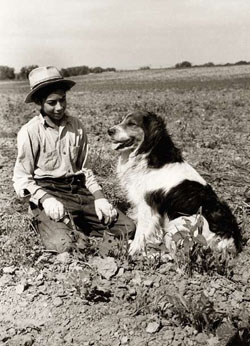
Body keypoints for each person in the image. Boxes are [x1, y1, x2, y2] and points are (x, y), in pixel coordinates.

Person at [13, 66, 135, 253]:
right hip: (49, 191)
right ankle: (45, 219)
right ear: (39, 103)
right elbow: (21, 178)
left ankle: (76, 225)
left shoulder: (76, 126)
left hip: (78, 190)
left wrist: (100, 199)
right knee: (64, 244)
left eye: (63, 100)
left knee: (128, 228)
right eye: (52, 103)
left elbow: (85, 169)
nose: (59, 107)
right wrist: (46, 200)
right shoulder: (30, 132)